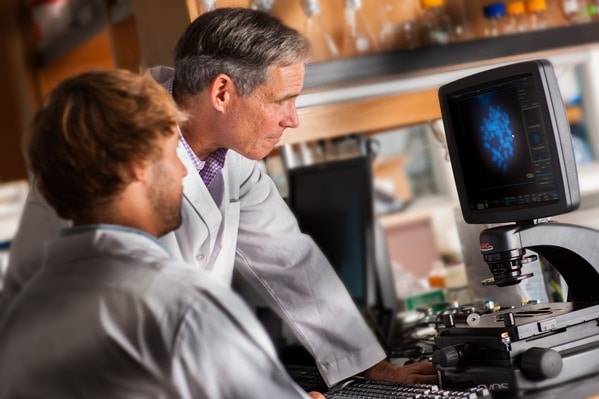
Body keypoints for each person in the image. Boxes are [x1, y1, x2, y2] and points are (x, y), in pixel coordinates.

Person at [4, 8, 434, 386]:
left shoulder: (235, 160)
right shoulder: (113, 153)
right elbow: (135, 305)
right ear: (223, 93)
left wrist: (367, 363)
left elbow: (290, 262)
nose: (293, 119)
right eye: (283, 100)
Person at [0, 69, 324, 399]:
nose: (183, 170)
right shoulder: (183, 307)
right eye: (172, 152)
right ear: (136, 164)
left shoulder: (22, 316)